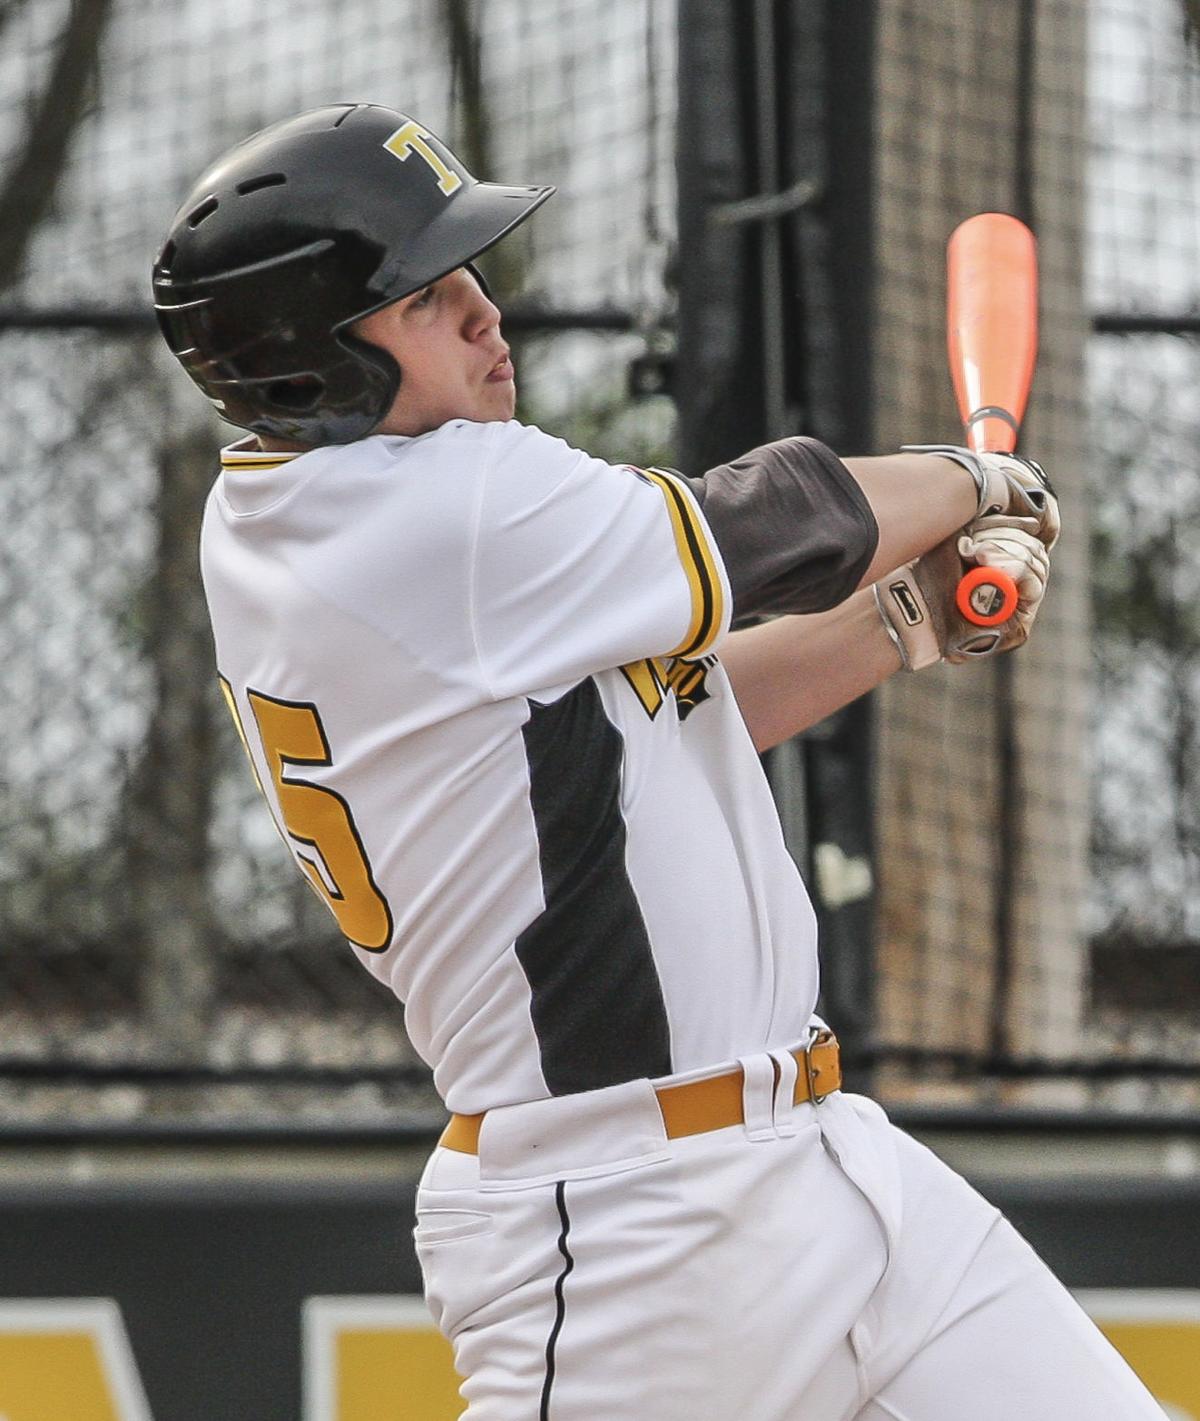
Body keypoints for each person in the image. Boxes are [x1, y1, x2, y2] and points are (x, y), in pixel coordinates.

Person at [152, 103, 1164, 1421]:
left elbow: (663, 719)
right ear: (312, 365)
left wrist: (907, 616)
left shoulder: (292, 515)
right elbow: (776, 523)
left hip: (824, 1163)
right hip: (628, 1231)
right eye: (425, 298)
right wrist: (981, 480)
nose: (485, 313)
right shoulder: (427, 511)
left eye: (468, 278)